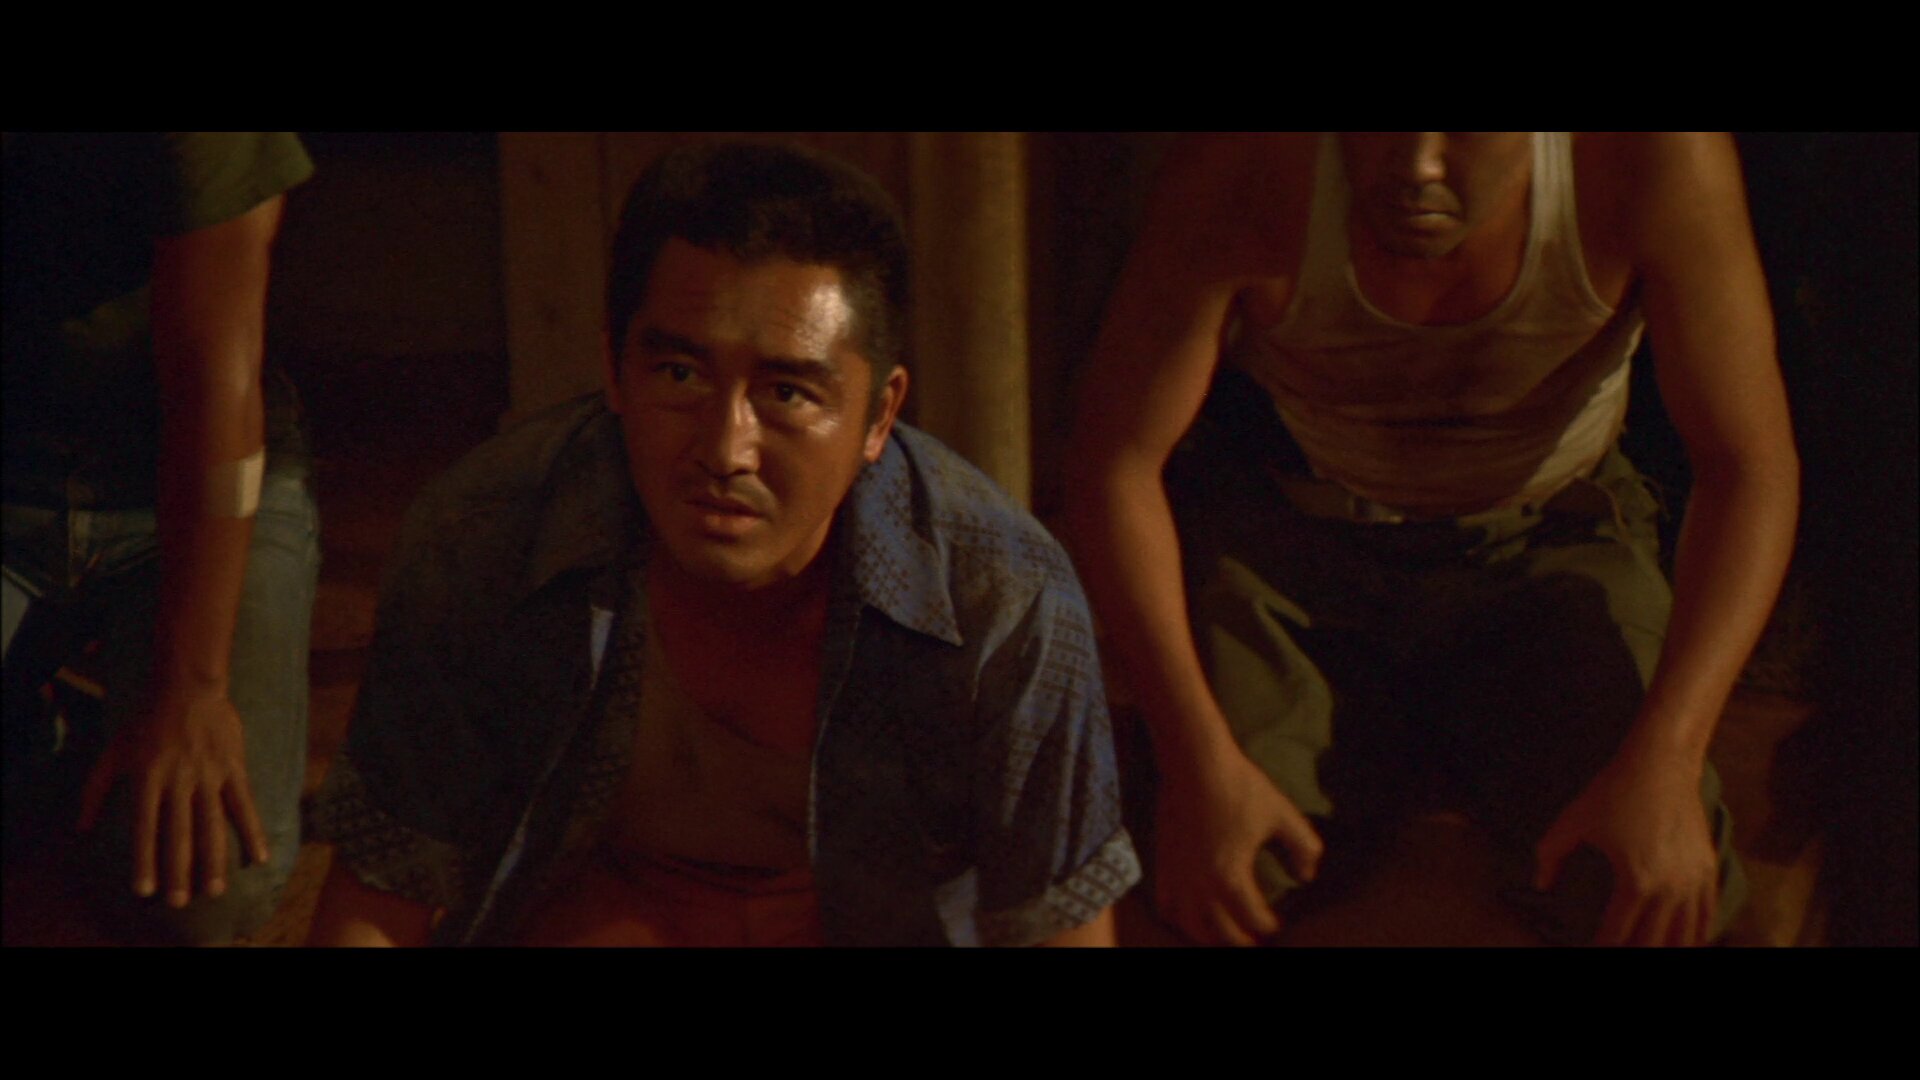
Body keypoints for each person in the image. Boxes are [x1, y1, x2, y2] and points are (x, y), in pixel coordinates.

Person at [307, 141, 1138, 947]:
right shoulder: (487, 536)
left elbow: (1059, 928)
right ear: (615, 369)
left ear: (879, 415)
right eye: (681, 375)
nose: (724, 449)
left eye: (788, 393)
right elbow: (378, 897)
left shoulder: (1000, 594)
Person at [1064, 132, 1799, 947]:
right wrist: (1194, 758)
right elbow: (1116, 463)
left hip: (1549, 535)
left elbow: (1747, 467)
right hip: (1295, 541)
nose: (1417, 165)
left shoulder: (1646, 159)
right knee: (1220, 875)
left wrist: (1667, 759)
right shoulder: (1252, 162)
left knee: (1643, 886)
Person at [2, 132, 319, 944]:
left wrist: (194, 689)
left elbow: (216, 378)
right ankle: (46, 743)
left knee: (199, 887)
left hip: (177, 486)